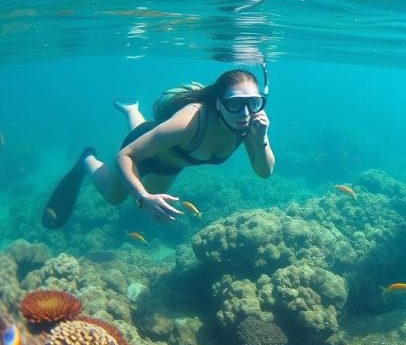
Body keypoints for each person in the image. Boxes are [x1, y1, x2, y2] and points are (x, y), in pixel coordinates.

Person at [42, 69, 274, 228]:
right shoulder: (189, 122)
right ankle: (87, 160)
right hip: (141, 151)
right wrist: (143, 197)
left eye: (253, 102)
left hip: (171, 163)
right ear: (218, 104)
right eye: (235, 103)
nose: (245, 113)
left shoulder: (250, 125)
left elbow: (264, 172)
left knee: (148, 197)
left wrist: (261, 138)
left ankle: (132, 110)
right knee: (116, 197)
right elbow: (125, 156)